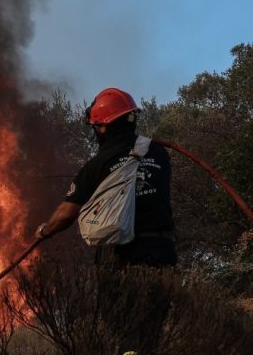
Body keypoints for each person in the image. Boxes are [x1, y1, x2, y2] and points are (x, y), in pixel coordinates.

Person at [35, 87, 176, 267]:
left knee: (126, 296)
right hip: (162, 251)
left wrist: (45, 230)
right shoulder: (158, 153)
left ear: (103, 127)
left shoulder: (98, 165)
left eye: (96, 126)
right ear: (131, 118)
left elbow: (65, 215)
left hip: (122, 255)